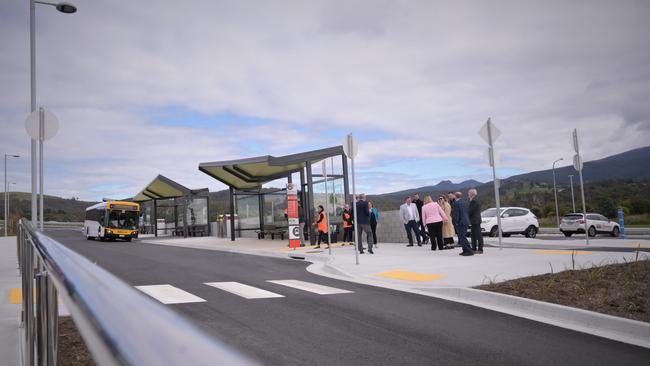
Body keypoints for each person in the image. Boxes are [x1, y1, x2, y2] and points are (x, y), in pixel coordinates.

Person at [452, 192, 473, 256]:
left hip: (460, 222)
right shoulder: (465, 202)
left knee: (462, 237)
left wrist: (455, 222)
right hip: (465, 221)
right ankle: (465, 250)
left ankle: (469, 251)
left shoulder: (456, 203)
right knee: (462, 237)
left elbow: (456, 214)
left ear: (455, 196)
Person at [468, 188, 484, 254]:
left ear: (472, 194)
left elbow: (470, 211)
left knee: (478, 235)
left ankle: (480, 249)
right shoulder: (474, 200)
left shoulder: (474, 201)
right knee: (473, 235)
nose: (468, 194)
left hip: (475, 220)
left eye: (469, 193)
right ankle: (474, 248)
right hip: (474, 220)